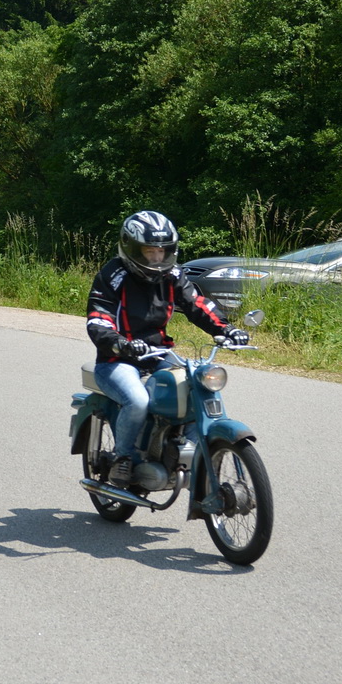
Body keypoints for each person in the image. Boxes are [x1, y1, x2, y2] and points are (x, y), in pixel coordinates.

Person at [85, 210, 248, 490]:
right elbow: (98, 320)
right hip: (117, 360)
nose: (157, 258)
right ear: (131, 248)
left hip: (158, 354)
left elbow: (197, 304)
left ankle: (182, 451)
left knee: (198, 387)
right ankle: (124, 457)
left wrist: (226, 329)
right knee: (138, 400)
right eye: (150, 251)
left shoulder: (173, 274)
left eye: (163, 251)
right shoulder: (113, 275)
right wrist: (121, 343)